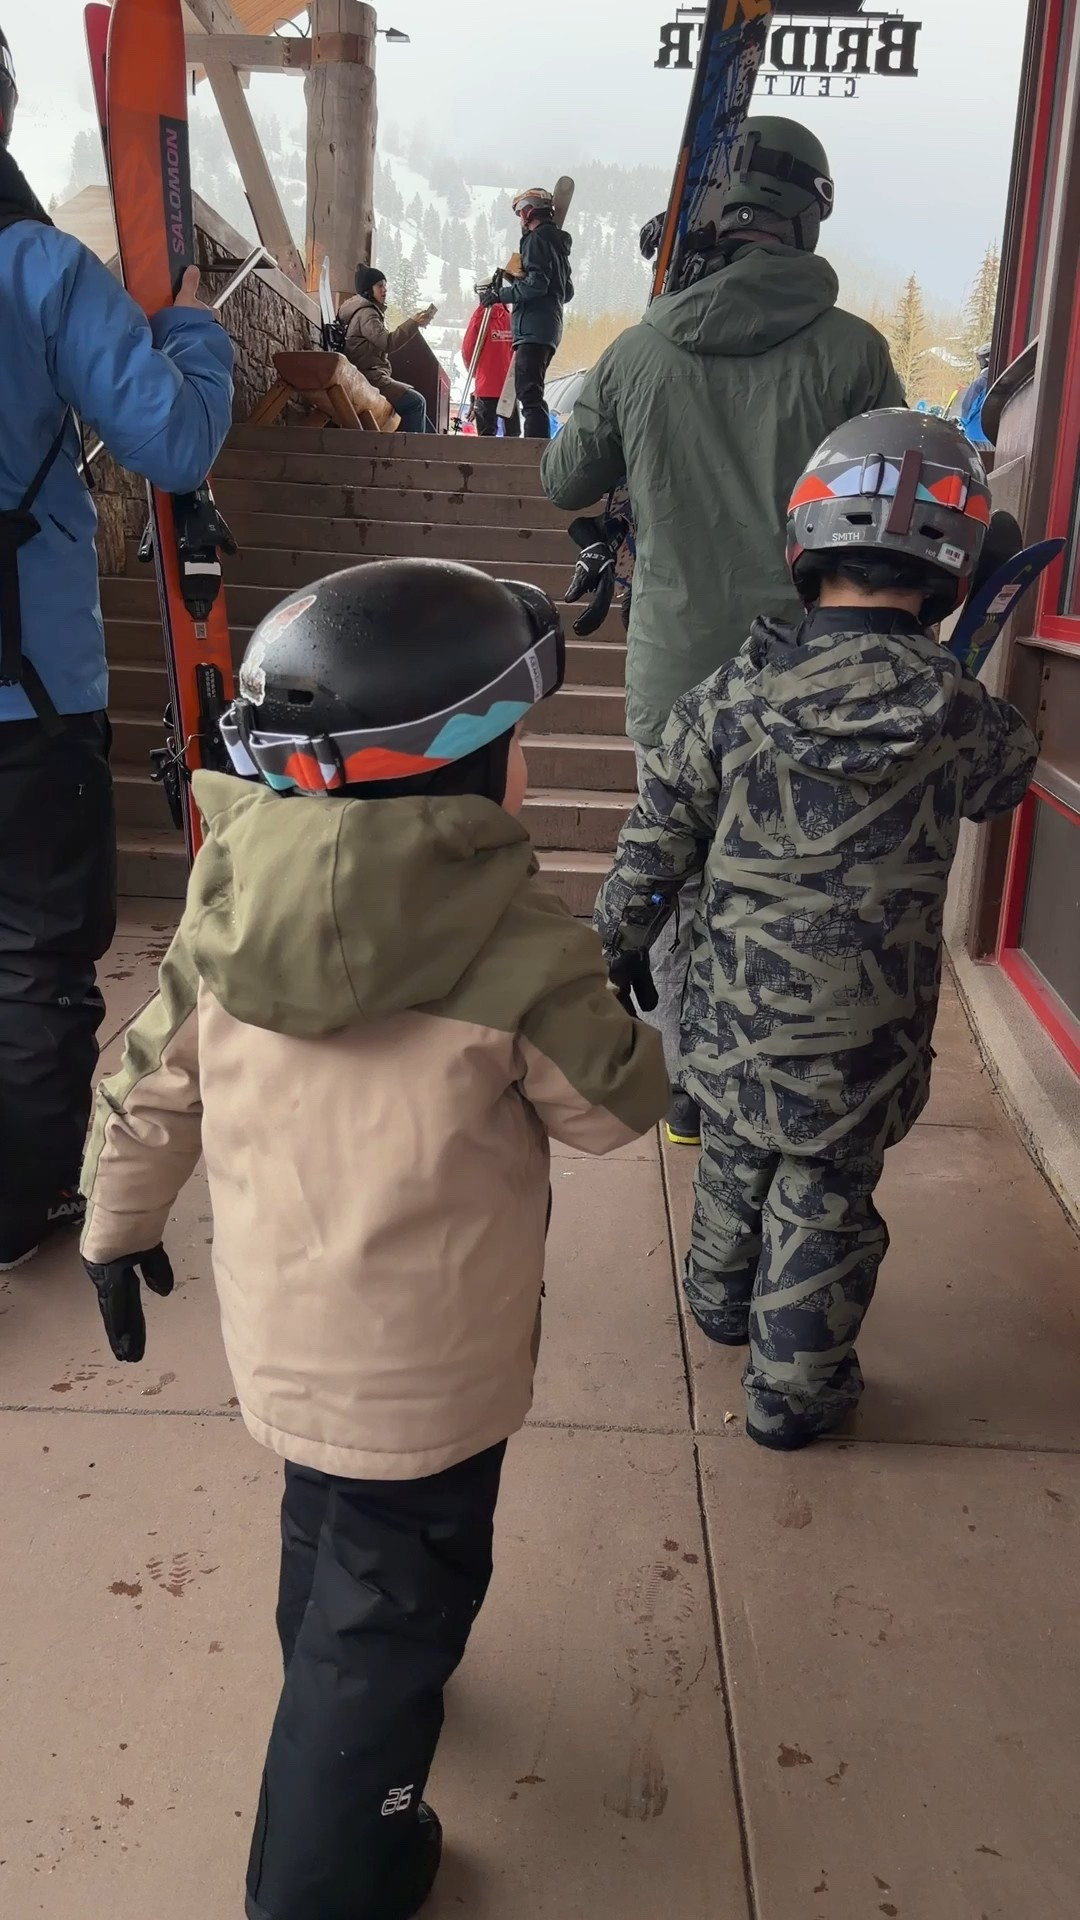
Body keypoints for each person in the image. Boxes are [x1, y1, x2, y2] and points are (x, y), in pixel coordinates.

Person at [78, 557, 669, 1920]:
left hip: (285, 1342)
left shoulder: (228, 899)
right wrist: (630, 1015)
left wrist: (116, 1227)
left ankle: (331, 1696)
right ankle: (330, 1873)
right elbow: (609, 1113)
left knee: (328, 1539)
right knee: (392, 1625)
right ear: (478, 762)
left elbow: (149, 1080)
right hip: (436, 1375)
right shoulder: (519, 941)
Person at [596, 410, 1038, 1452]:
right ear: (952, 571)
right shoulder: (956, 709)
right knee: (827, 1196)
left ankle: (718, 1301)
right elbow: (1006, 781)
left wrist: (622, 934)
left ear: (807, 541)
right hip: (865, 1032)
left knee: (735, 1150)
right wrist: (965, 656)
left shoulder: (731, 694)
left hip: (735, 1010)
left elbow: (660, 832)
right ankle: (792, 1395)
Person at [541, 118, 905, 1147]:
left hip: (677, 672)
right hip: (814, 674)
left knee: (675, 872)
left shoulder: (642, 348)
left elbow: (564, 478)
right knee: (797, 883)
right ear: (809, 214)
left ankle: (688, 1095)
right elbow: (888, 506)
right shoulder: (855, 354)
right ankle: (783, 1088)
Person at [0, 23, 234, 1272]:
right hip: (29, 692)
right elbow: (175, 442)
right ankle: (22, 1196)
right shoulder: (36, 268)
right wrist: (190, 329)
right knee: (36, 951)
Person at [479, 187, 573, 439]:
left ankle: (533, 451)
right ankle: (535, 448)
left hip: (532, 328)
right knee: (531, 390)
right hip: (549, 328)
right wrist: (519, 279)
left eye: (521, 211)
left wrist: (501, 294)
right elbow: (566, 291)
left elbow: (537, 285)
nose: (520, 217)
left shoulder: (535, 240)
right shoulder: (558, 246)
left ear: (530, 211)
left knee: (529, 393)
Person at [340, 266, 437, 434]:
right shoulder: (367, 314)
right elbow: (387, 343)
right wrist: (413, 323)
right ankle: (414, 450)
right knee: (416, 402)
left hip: (368, 376)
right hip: (368, 378)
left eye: (385, 286)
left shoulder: (364, 311)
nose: (384, 290)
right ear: (368, 289)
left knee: (417, 406)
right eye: (379, 285)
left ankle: (429, 446)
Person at [460, 296, 520, 436]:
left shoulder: (479, 317)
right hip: (510, 385)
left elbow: (468, 349)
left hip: (486, 385)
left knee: (486, 435)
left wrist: (475, 373)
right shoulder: (512, 318)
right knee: (512, 435)